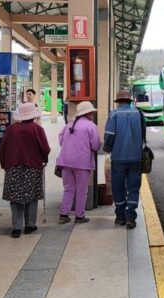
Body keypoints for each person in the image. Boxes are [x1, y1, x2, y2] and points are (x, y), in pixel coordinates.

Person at [0, 102, 50, 238]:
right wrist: (44, 159)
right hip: (32, 166)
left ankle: (16, 227)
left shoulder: (11, 129)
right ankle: (30, 225)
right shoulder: (37, 129)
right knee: (31, 195)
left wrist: (5, 164)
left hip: (13, 167)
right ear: (33, 116)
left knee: (15, 197)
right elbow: (45, 148)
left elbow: (1, 149)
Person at [104, 90, 146, 229]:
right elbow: (144, 135)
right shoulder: (138, 114)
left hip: (119, 157)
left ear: (118, 101)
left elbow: (109, 135)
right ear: (129, 101)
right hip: (136, 157)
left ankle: (120, 217)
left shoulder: (114, 114)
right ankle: (131, 217)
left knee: (118, 187)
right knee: (134, 187)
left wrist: (107, 148)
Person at [56, 101, 101, 224]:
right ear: (89, 113)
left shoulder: (69, 125)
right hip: (82, 163)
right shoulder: (91, 126)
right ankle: (79, 216)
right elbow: (96, 145)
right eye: (92, 112)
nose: (93, 114)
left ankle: (63, 214)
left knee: (68, 189)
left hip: (65, 161)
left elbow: (61, 141)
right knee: (82, 190)